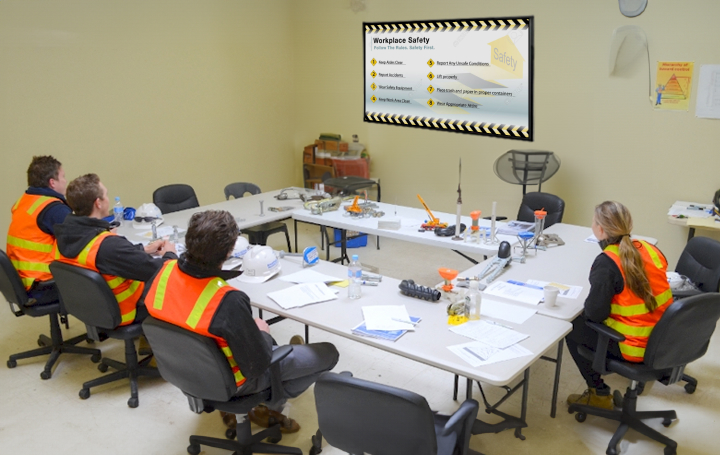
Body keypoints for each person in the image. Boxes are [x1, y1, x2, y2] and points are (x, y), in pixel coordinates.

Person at [141, 210, 339, 433]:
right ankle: (269, 405)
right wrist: (262, 332)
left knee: (270, 343)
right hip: (235, 381)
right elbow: (257, 364)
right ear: (228, 252)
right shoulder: (227, 301)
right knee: (328, 353)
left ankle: (253, 398)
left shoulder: (163, 273)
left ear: (188, 242)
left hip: (184, 369)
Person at [566, 201, 673, 409]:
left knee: (571, 326)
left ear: (600, 230)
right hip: (664, 339)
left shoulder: (607, 262)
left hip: (635, 347)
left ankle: (598, 393)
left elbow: (594, 314)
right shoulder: (651, 249)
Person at [54, 173, 176, 325]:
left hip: (94, 308)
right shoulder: (108, 245)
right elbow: (157, 271)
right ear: (98, 203)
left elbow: (111, 257)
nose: (108, 199)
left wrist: (143, 250)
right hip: (125, 310)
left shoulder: (65, 235)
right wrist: (170, 253)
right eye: (106, 195)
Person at [7, 156, 71, 304]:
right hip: (44, 285)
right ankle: (105, 325)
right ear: (52, 182)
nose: (65, 181)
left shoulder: (24, 201)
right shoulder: (53, 209)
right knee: (99, 278)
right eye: (63, 176)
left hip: (23, 282)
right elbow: (81, 239)